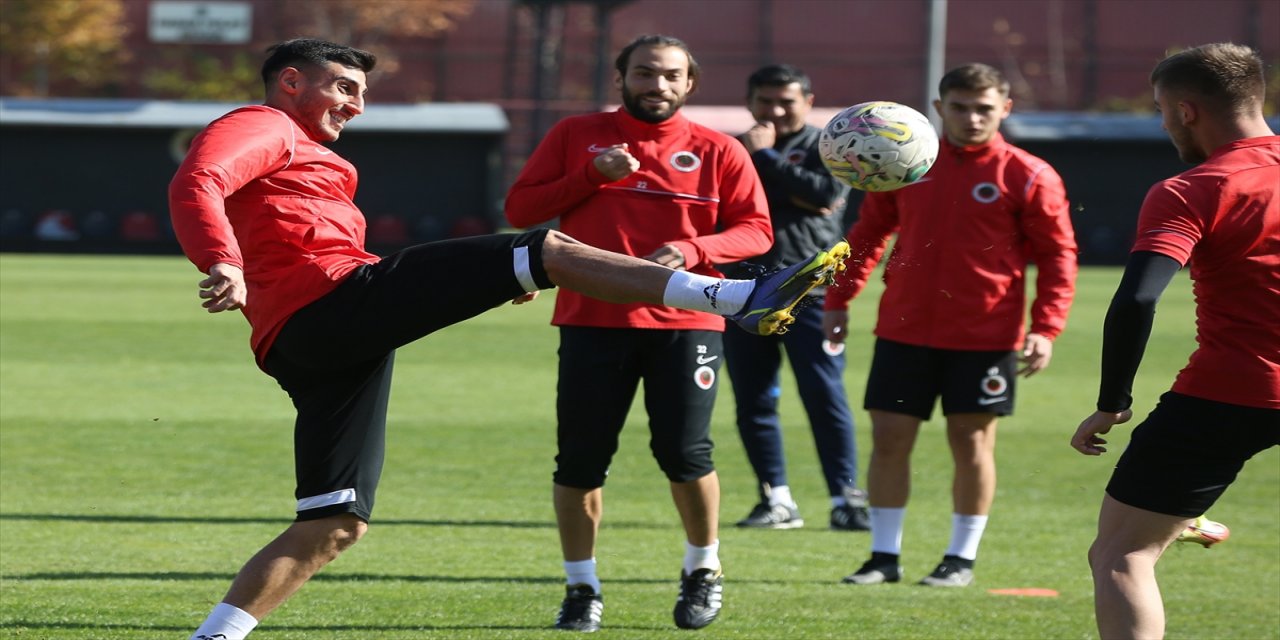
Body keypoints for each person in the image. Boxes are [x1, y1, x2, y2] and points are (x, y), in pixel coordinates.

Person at [171, 37, 849, 640]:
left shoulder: (313, 154)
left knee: (336, 522)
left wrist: (490, 280)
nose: (356, 106)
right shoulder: (261, 123)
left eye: (362, 93)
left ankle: (216, 636)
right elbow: (199, 179)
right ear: (291, 81)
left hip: (323, 334)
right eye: (344, 87)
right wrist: (220, 261)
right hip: (325, 307)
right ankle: (736, 295)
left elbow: (315, 245)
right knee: (547, 247)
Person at [505, 34, 776, 632]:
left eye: (671, 76)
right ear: (622, 78)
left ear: (689, 84)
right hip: (591, 320)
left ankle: (703, 569)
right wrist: (587, 177)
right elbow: (520, 210)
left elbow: (755, 230)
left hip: (687, 322)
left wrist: (693, 247)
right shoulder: (576, 135)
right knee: (579, 463)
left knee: (685, 453)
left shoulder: (720, 149)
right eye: (645, 73)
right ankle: (581, 588)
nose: (658, 85)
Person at [823, 63, 1078, 587]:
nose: (971, 118)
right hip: (904, 328)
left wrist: (1045, 327)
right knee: (889, 439)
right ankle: (883, 557)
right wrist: (838, 300)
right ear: (938, 109)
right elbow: (868, 235)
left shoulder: (1028, 174)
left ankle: (960, 558)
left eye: (984, 108)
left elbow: (1058, 256)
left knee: (972, 442)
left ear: (1004, 109)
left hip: (985, 336)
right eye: (959, 107)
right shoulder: (906, 162)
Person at [1070, 42, 1278, 640]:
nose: (1163, 125)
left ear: (1186, 111)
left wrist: (1113, 402)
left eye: (1162, 111)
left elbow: (1137, 297)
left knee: (1121, 556)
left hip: (1234, 393)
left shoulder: (1192, 188)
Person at [723, 64, 869, 532]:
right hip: (743, 288)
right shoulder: (729, 151)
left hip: (812, 289)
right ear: (750, 103)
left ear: (808, 101)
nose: (776, 110)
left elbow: (824, 195)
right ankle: (776, 499)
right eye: (766, 101)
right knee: (754, 398)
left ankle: (846, 499)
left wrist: (765, 159)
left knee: (824, 394)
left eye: (787, 100)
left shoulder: (830, 145)